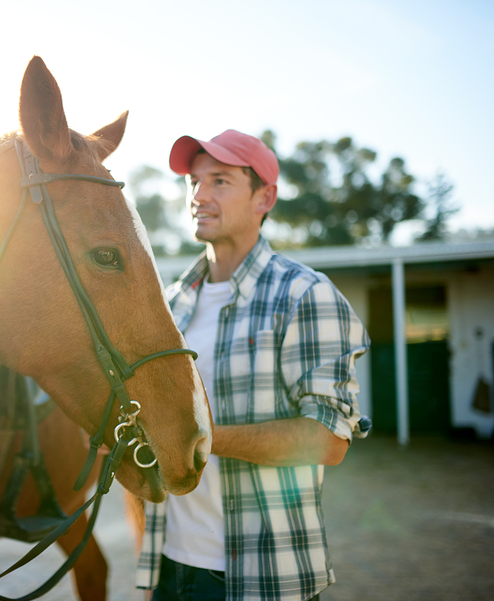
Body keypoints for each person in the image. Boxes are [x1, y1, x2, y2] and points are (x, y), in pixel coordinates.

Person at [136, 130, 371, 601]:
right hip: (170, 567)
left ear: (265, 196)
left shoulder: (304, 295)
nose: (198, 195)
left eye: (219, 181)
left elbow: (327, 440)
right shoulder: (170, 305)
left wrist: (200, 437)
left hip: (262, 576)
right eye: (193, 182)